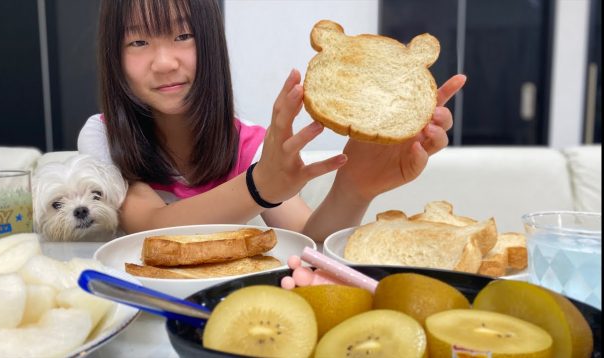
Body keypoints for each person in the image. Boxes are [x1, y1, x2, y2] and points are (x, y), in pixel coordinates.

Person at [78, 0, 466, 242]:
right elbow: (148, 225)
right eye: (138, 42)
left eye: (183, 35)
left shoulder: (248, 144)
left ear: (211, 44)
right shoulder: (102, 136)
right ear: (114, 55)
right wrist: (259, 186)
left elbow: (309, 242)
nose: (164, 62)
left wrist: (354, 188)